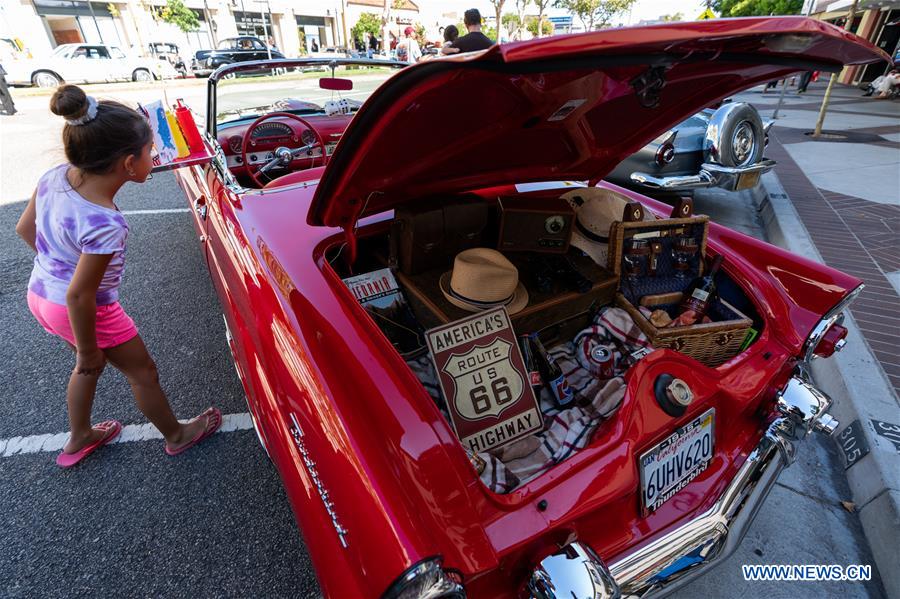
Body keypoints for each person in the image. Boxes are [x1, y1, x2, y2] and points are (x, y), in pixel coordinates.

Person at [15, 85, 221, 468]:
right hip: (83, 307)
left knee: (85, 366)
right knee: (141, 372)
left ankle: (80, 437)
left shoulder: (54, 177)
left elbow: (25, 230)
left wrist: (57, 269)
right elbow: (81, 296)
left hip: (41, 295)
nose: (153, 157)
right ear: (128, 164)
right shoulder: (106, 223)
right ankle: (178, 434)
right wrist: (91, 345)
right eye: (148, 152)